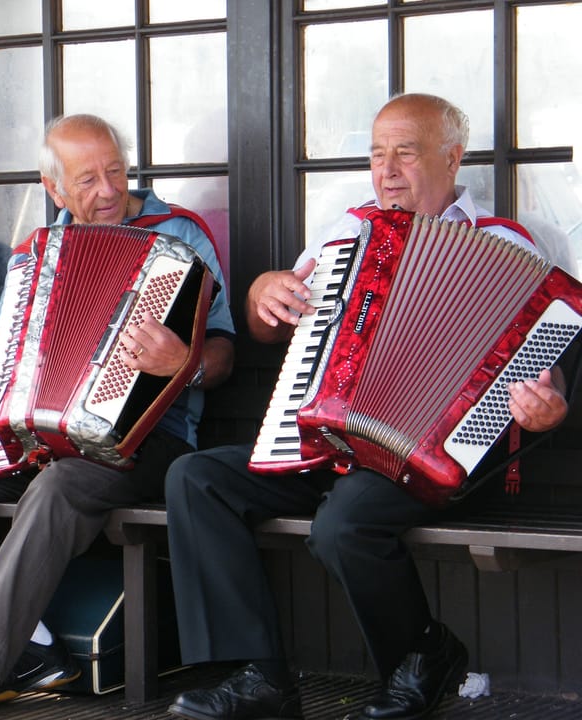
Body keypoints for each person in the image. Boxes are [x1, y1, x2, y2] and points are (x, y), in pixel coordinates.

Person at [164, 93, 572, 720]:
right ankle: (260, 676)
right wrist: (262, 292)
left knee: (343, 523)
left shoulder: (509, 243)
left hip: (441, 454)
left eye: (405, 153)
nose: (387, 170)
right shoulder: (345, 232)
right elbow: (270, 324)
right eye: (378, 155)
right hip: (329, 441)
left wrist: (548, 405)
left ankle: (422, 653)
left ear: (452, 158)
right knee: (197, 477)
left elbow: (548, 361)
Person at [0, 113, 236, 720]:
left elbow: (224, 351)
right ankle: (24, 654)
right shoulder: (37, 251)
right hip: (41, 433)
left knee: (57, 484)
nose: (108, 190)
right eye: (87, 180)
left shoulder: (180, 234)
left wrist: (183, 364)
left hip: (147, 438)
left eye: (116, 172)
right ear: (53, 189)